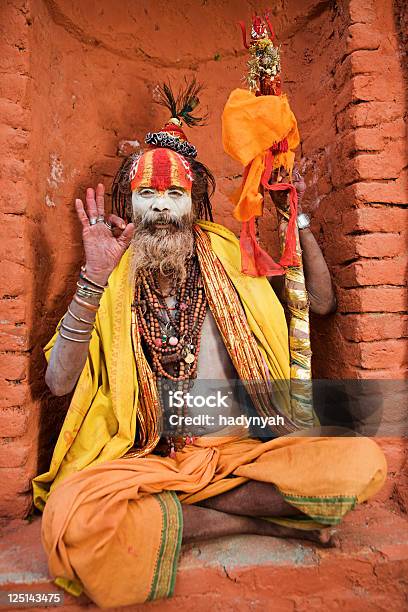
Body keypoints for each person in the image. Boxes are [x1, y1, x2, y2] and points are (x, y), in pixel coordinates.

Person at [32, 84, 387, 608]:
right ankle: (266, 523)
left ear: (194, 202)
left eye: (173, 195)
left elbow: (320, 301)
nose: (160, 209)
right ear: (127, 203)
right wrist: (92, 277)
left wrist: (294, 219)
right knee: (71, 518)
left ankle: (186, 510)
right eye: (147, 196)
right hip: (145, 459)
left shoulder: (229, 255)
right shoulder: (112, 270)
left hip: (239, 455)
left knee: (361, 462)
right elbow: (58, 381)